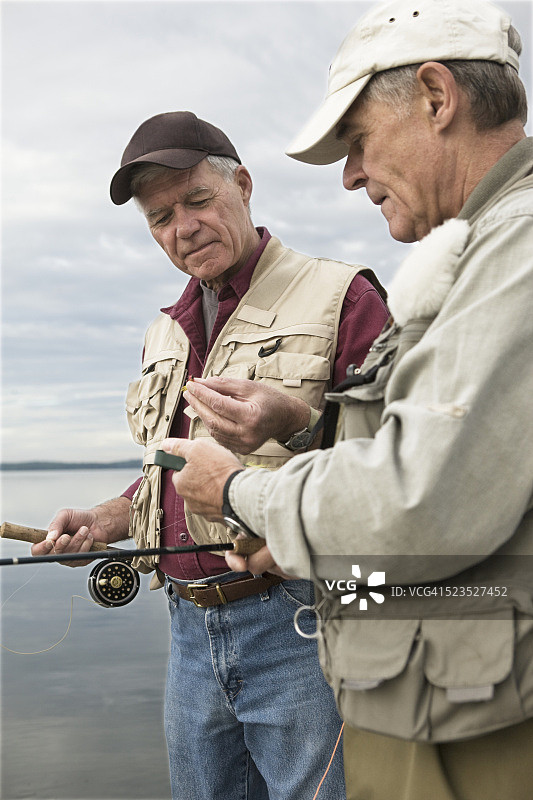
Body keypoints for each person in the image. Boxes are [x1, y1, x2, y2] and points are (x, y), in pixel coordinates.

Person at [159, 2, 533, 799]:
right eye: (160, 218)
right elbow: (435, 464)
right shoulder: (476, 253)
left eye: (357, 141)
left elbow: (418, 501)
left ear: (437, 97)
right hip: (418, 688)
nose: (351, 175)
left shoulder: (516, 249)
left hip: (475, 725)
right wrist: (297, 429)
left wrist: (239, 491)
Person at [32, 111, 389, 800]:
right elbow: (163, 483)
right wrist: (104, 523)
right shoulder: (160, 331)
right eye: (160, 216)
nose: (182, 228)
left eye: (196, 200)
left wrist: (298, 424)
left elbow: (394, 470)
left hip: (303, 622)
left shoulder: (344, 296)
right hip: (188, 636)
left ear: (244, 186)